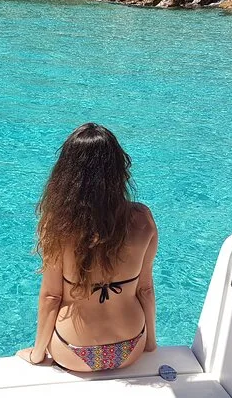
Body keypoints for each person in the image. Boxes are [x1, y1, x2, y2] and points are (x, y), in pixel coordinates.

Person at [16, 123, 158, 372]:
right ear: (119, 169)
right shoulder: (143, 219)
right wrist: (150, 344)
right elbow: (145, 290)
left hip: (73, 351)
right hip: (131, 347)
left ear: (66, 174)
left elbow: (51, 297)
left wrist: (37, 354)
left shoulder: (59, 226)